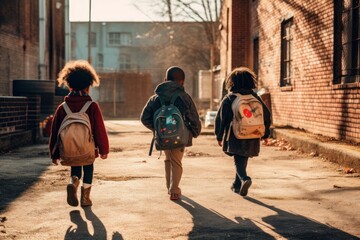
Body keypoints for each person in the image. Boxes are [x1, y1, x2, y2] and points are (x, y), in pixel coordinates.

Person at [49, 60, 109, 207]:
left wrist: (54, 153)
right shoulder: (92, 106)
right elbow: (99, 130)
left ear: (69, 85)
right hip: (88, 149)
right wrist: (104, 150)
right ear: (88, 85)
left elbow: (55, 131)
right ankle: (85, 198)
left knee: (75, 166)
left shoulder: (63, 107)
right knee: (88, 167)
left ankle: (74, 182)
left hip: (69, 149)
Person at [140, 66, 201, 201]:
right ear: (182, 82)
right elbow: (193, 117)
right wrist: (194, 132)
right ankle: (175, 190)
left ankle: (170, 187)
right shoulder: (184, 97)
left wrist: (157, 129)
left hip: (162, 136)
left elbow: (144, 118)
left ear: (165, 79)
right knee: (176, 161)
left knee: (168, 159)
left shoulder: (155, 98)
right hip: (180, 136)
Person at [215, 67, 271, 196]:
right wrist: (265, 134)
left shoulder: (230, 98)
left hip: (236, 134)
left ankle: (245, 179)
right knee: (242, 157)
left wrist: (219, 135)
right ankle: (236, 185)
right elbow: (266, 115)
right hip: (254, 133)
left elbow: (222, 118)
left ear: (232, 82)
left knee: (238, 158)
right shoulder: (254, 96)